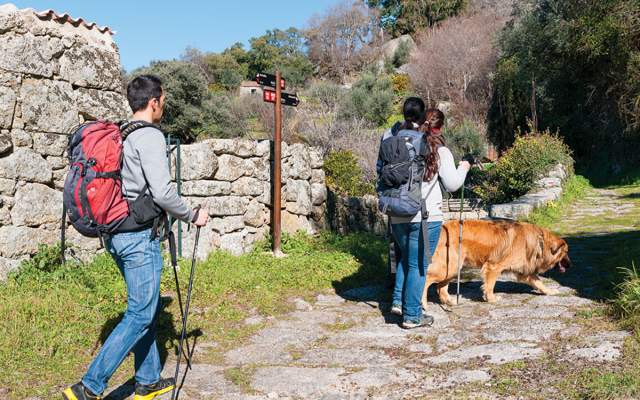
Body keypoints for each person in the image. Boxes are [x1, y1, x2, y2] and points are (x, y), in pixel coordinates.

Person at [63, 75, 209, 400]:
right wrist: (192, 214)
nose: (164, 105)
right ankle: (88, 387)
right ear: (154, 101)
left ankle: (147, 380)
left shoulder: (121, 133)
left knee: (147, 309)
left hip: (115, 234)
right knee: (141, 313)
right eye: (163, 100)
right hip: (137, 238)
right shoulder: (150, 137)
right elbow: (163, 191)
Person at [384, 106, 470, 328]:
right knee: (419, 266)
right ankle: (412, 315)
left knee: (406, 259)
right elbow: (452, 184)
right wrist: (465, 167)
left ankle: (398, 301)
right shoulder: (440, 151)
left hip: (397, 212)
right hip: (425, 216)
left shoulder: (398, 144)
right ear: (440, 127)